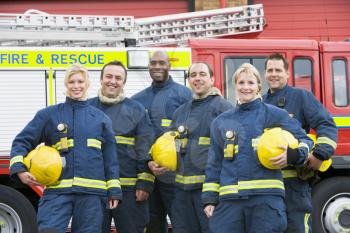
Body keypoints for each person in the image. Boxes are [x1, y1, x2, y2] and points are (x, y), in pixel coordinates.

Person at [9, 64, 122, 233]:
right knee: (48, 230)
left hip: (91, 195)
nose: (76, 86)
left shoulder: (101, 119)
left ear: (88, 84)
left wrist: (114, 190)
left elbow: (110, 158)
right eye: (72, 82)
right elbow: (22, 141)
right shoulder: (49, 115)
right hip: (57, 192)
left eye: (80, 81)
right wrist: (19, 169)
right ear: (66, 84)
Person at [202, 63, 313, 233]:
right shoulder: (221, 122)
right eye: (241, 83)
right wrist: (210, 199)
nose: (246, 87)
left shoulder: (275, 114)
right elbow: (214, 163)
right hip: (230, 201)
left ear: (259, 86)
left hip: (266, 200)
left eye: (250, 83)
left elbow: (305, 139)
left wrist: (293, 155)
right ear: (235, 86)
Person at [263, 53, 338, 233]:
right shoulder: (260, 103)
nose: (274, 74)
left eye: (278, 70)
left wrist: (320, 154)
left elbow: (326, 124)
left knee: (296, 228)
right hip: (267, 182)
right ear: (265, 74)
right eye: (270, 70)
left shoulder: (301, 96)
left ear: (287, 73)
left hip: (294, 182)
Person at [89, 60, 154, 233]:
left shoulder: (136, 110)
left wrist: (144, 184)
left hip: (130, 192)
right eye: (108, 76)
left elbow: (146, 148)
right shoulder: (87, 108)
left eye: (118, 78)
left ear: (124, 83)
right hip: (95, 189)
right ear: (101, 79)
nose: (113, 81)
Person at [132, 50, 192, 233]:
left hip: (176, 176)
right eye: (153, 63)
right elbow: (137, 139)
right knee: (152, 226)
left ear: (169, 66)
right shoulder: (137, 100)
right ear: (148, 66)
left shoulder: (185, 96)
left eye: (161, 63)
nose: (157, 66)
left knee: (183, 225)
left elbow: (193, 134)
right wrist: (147, 162)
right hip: (149, 176)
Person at [169, 62, 233, 233]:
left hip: (211, 193)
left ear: (212, 79)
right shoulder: (180, 112)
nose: (197, 78)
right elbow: (168, 146)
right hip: (182, 195)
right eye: (193, 75)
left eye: (202, 74)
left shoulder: (225, 109)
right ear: (188, 80)